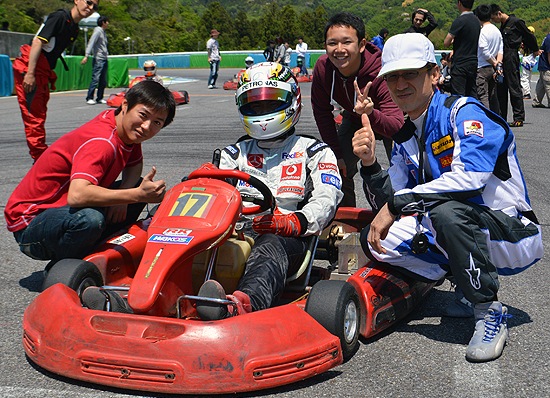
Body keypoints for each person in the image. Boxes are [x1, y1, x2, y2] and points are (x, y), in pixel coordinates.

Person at [352, 33, 542, 362]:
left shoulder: (465, 113)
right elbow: (391, 202)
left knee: (446, 213)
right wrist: (369, 165)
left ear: (435, 74)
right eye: (393, 77)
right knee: (374, 240)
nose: (400, 85)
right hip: (463, 226)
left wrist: (397, 205)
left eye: (410, 74)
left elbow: (469, 181)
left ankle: (488, 311)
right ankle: (463, 281)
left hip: (512, 233)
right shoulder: (407, 136)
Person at [194, 62, 343, 320]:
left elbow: (327, 197)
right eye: (255, 105)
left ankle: (241, 307)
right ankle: (149, 295)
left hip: (289, 237)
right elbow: (208, 194)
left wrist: (295, 222)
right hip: (236, 231)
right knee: (194, 240)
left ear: (292, 101)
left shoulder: (314, 151)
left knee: (270, 246)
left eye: (271, 103)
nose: (263, 112)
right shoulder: (233, 155)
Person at [5, 81, 177, 267]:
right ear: (125, 104)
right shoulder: (102, 141)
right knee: (90, 219)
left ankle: (97, 255)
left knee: (139, 186)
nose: (146, 126)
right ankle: (61, 269)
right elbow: (77, 196)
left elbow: (135, 165)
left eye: (157, 123)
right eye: (143, 115)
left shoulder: (124, 129)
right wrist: (134, 196)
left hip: (59, 212)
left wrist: (126, 197)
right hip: (30, 225)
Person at [311, 12, 403, 207]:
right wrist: (336, 152)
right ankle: (347, 224)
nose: (339, 49)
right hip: (354, 118)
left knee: (403, 169)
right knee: (336, 167)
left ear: (361, 45)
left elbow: (396, 125)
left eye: (346, 42)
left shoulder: (381, 70)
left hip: (390, 119)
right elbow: (321, 111)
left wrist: (370, 112)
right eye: (332, 43)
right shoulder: (323, 68)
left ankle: (402, 217)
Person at [12, 0, 98, 162]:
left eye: (95, 6)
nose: (91, 8)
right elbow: (38, 41)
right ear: (77, 0)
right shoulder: (59, 17)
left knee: (40, 114)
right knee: (34, 117)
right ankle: (40, 157)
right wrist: (30, 73)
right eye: (88, 2)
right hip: (32, 68)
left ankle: (41, 155)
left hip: (44, 71)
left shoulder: (74, 29)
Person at [490, 4, 539, 127]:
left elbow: (529, 35)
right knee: (501, 89)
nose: (493, 21)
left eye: (493, 18)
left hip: (511, 57)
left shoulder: (516, 22)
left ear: (499, 13)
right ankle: (502, 117)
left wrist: (535, 49)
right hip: (501, 57)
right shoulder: (502, 26)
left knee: (514, 87)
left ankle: (518, 117)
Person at [444, 0, 481, 98]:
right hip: (473, 62)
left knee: (458, 96)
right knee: (472, 94)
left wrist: (453, 40)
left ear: (459, 3)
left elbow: (446, 43)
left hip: (460, 63)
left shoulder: (459, 21)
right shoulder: (476, 21)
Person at [474, 4, 503, 114]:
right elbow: (501, 49)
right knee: (493, 96)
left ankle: (487, 118)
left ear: (477, 17)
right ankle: (497, 118)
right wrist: (498, 64)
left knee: (482, 96)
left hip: (482, 67)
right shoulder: (496, 31)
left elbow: (485, 53)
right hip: (492, 68)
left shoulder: (483, 31)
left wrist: (494, 62)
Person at [81, 16, 109, 105]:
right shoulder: (97, 31)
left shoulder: (103, 32)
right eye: (107, 22)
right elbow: (91, 43)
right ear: (103, 22)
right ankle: (89, 97)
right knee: (95, 78)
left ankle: (100, 98)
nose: (108, 23)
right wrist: (87, 56)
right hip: (98, 58)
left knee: (103, 80)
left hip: (104, 58)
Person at [532, 31, 550, 108]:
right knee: (548, 84)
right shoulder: (549, 38)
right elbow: (549, 54)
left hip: (543, 65)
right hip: (546, 66)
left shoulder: (547, 37)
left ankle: (537, 101)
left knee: (542, 84)